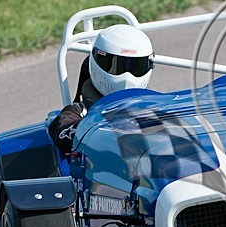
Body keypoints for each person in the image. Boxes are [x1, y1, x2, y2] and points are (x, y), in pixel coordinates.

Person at [49, 24, 154, 153]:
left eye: (136, 66)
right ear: (97, 61)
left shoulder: (154, 103)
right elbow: (61, 130)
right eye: (118, 66)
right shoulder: (80, 111)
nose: (127, 76)